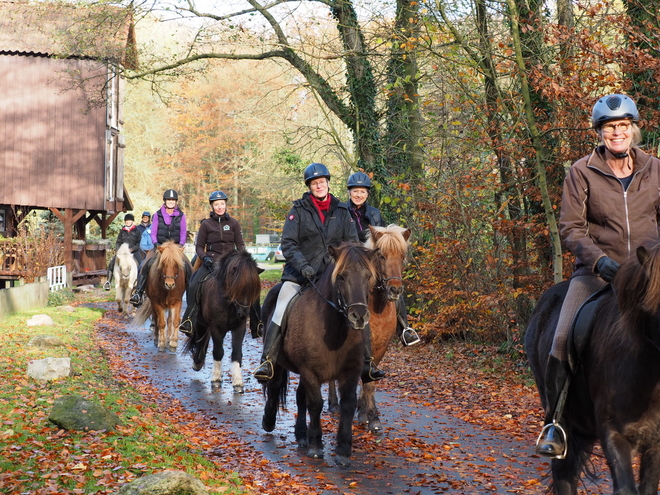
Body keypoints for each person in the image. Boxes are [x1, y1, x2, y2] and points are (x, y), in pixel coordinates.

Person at [535, 94, 660, 458]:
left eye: (623, 126)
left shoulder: (655, 168)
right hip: (599, 273)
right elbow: (571, 227)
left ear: (633, 129)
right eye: (610, 127)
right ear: (600, 132)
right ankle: (555, 422)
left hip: (650, 275)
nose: (617, 133)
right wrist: (599, 260)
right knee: (561, 338)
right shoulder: (581, 170)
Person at [254, 163, 385, 384]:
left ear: (327, 183)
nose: (319, 186)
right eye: (315, 183)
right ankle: (268, 359)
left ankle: (367, 362)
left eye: (322, 182)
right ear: (310, 186)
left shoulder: (342, 211)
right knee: (282, 300)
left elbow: (352, 243)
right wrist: (302, 265)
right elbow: (289, 243)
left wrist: (345, 266)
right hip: (300, 274)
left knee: (358, 303)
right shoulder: (298, 211)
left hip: (334, 275)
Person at [346, 171, 421, 347]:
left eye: (362, 192)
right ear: (349, 192)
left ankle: (405, 329)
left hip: (373, 260)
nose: (359, 195)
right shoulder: (342, 212)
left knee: (392, 282)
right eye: (355, 191)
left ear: (367, 194)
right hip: (353, 259)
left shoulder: (374, 214)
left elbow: (383, 238)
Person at [179, 190, 246, 336]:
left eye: (222, 204)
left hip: (230, 263)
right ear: (212, 206)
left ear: (226, 205)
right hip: (211, 261)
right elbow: (198, 247)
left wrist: (242, 258)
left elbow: (240, 245)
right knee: (194, 283)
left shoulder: (234, 223)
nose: (220, 207)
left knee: (249, 281)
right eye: (216, 204)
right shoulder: (206, 224)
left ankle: (256, 321)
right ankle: (188, 319)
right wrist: (205, 258)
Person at [130, 189, 190, 307]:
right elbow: (153, 231)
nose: (171, 202)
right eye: (169, 200)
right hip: (160, 247)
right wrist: (156, 243)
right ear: (165, 201)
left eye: (173, 200)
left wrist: (181, 245)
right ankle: (138, 292)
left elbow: (183, 232)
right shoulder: (157, 215)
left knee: (189, 267)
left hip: (175, 248)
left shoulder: (181, 215)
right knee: (144, 265)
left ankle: (192, 296)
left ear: (176, 201)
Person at [103, 213, 143, 290]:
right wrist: (118, 250)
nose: (128, 222)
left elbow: (139, 243)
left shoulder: (137, 231)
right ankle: (108, 282)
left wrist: (132, 249)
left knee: (141, 264)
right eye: (126, 220)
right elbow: (118, 241)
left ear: (132, 221)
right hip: (122, 253)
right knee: (112, 262)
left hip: (133, 252)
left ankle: (140, 285)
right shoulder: (122, 231)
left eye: (129, 220)